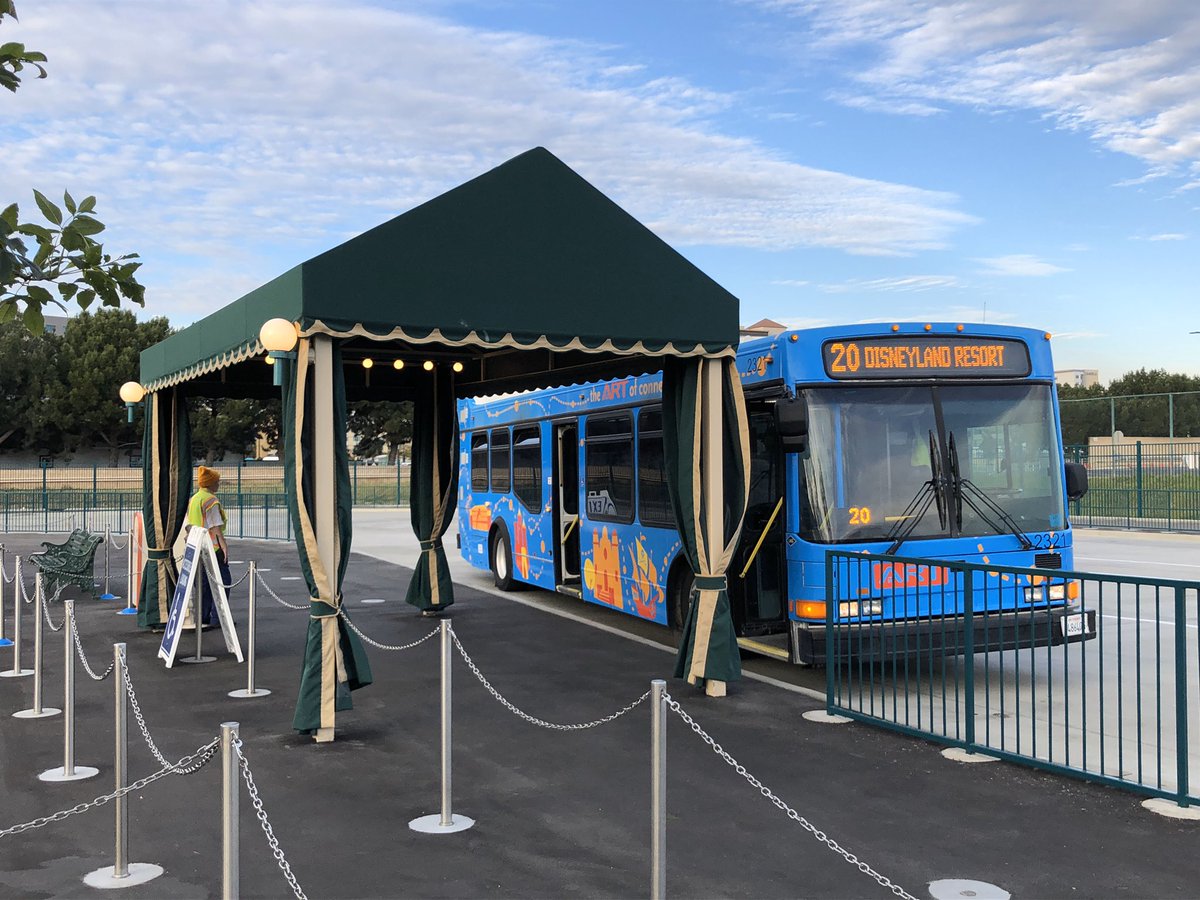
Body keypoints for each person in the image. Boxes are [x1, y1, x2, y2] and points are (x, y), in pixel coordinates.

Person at [188, 465, 231, 628]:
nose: (219, 484)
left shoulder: (194, 499)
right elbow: (215, 526)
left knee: (203, 584)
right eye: (217, 482)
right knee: (224, 581)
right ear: (211, 483)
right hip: (213, 547)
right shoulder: (211, 500)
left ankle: (203, 616)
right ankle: (218, 617)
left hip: (197, 545)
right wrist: (224, 546)